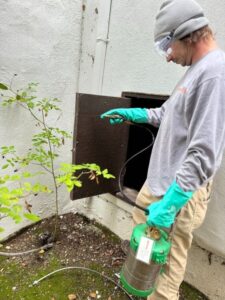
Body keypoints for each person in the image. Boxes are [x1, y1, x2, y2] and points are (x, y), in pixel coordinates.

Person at [101, 0, 225, 299]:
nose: (168, 57)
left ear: (186, 34)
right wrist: (134, 114)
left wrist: (170, 204)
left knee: (166, 260)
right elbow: (167, 115)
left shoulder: (215, 74)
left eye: (167, 47)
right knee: (145, 248)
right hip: (158, 182)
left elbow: (204, 151)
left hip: (178, 193)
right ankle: (140, 286)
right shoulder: (197, 71)